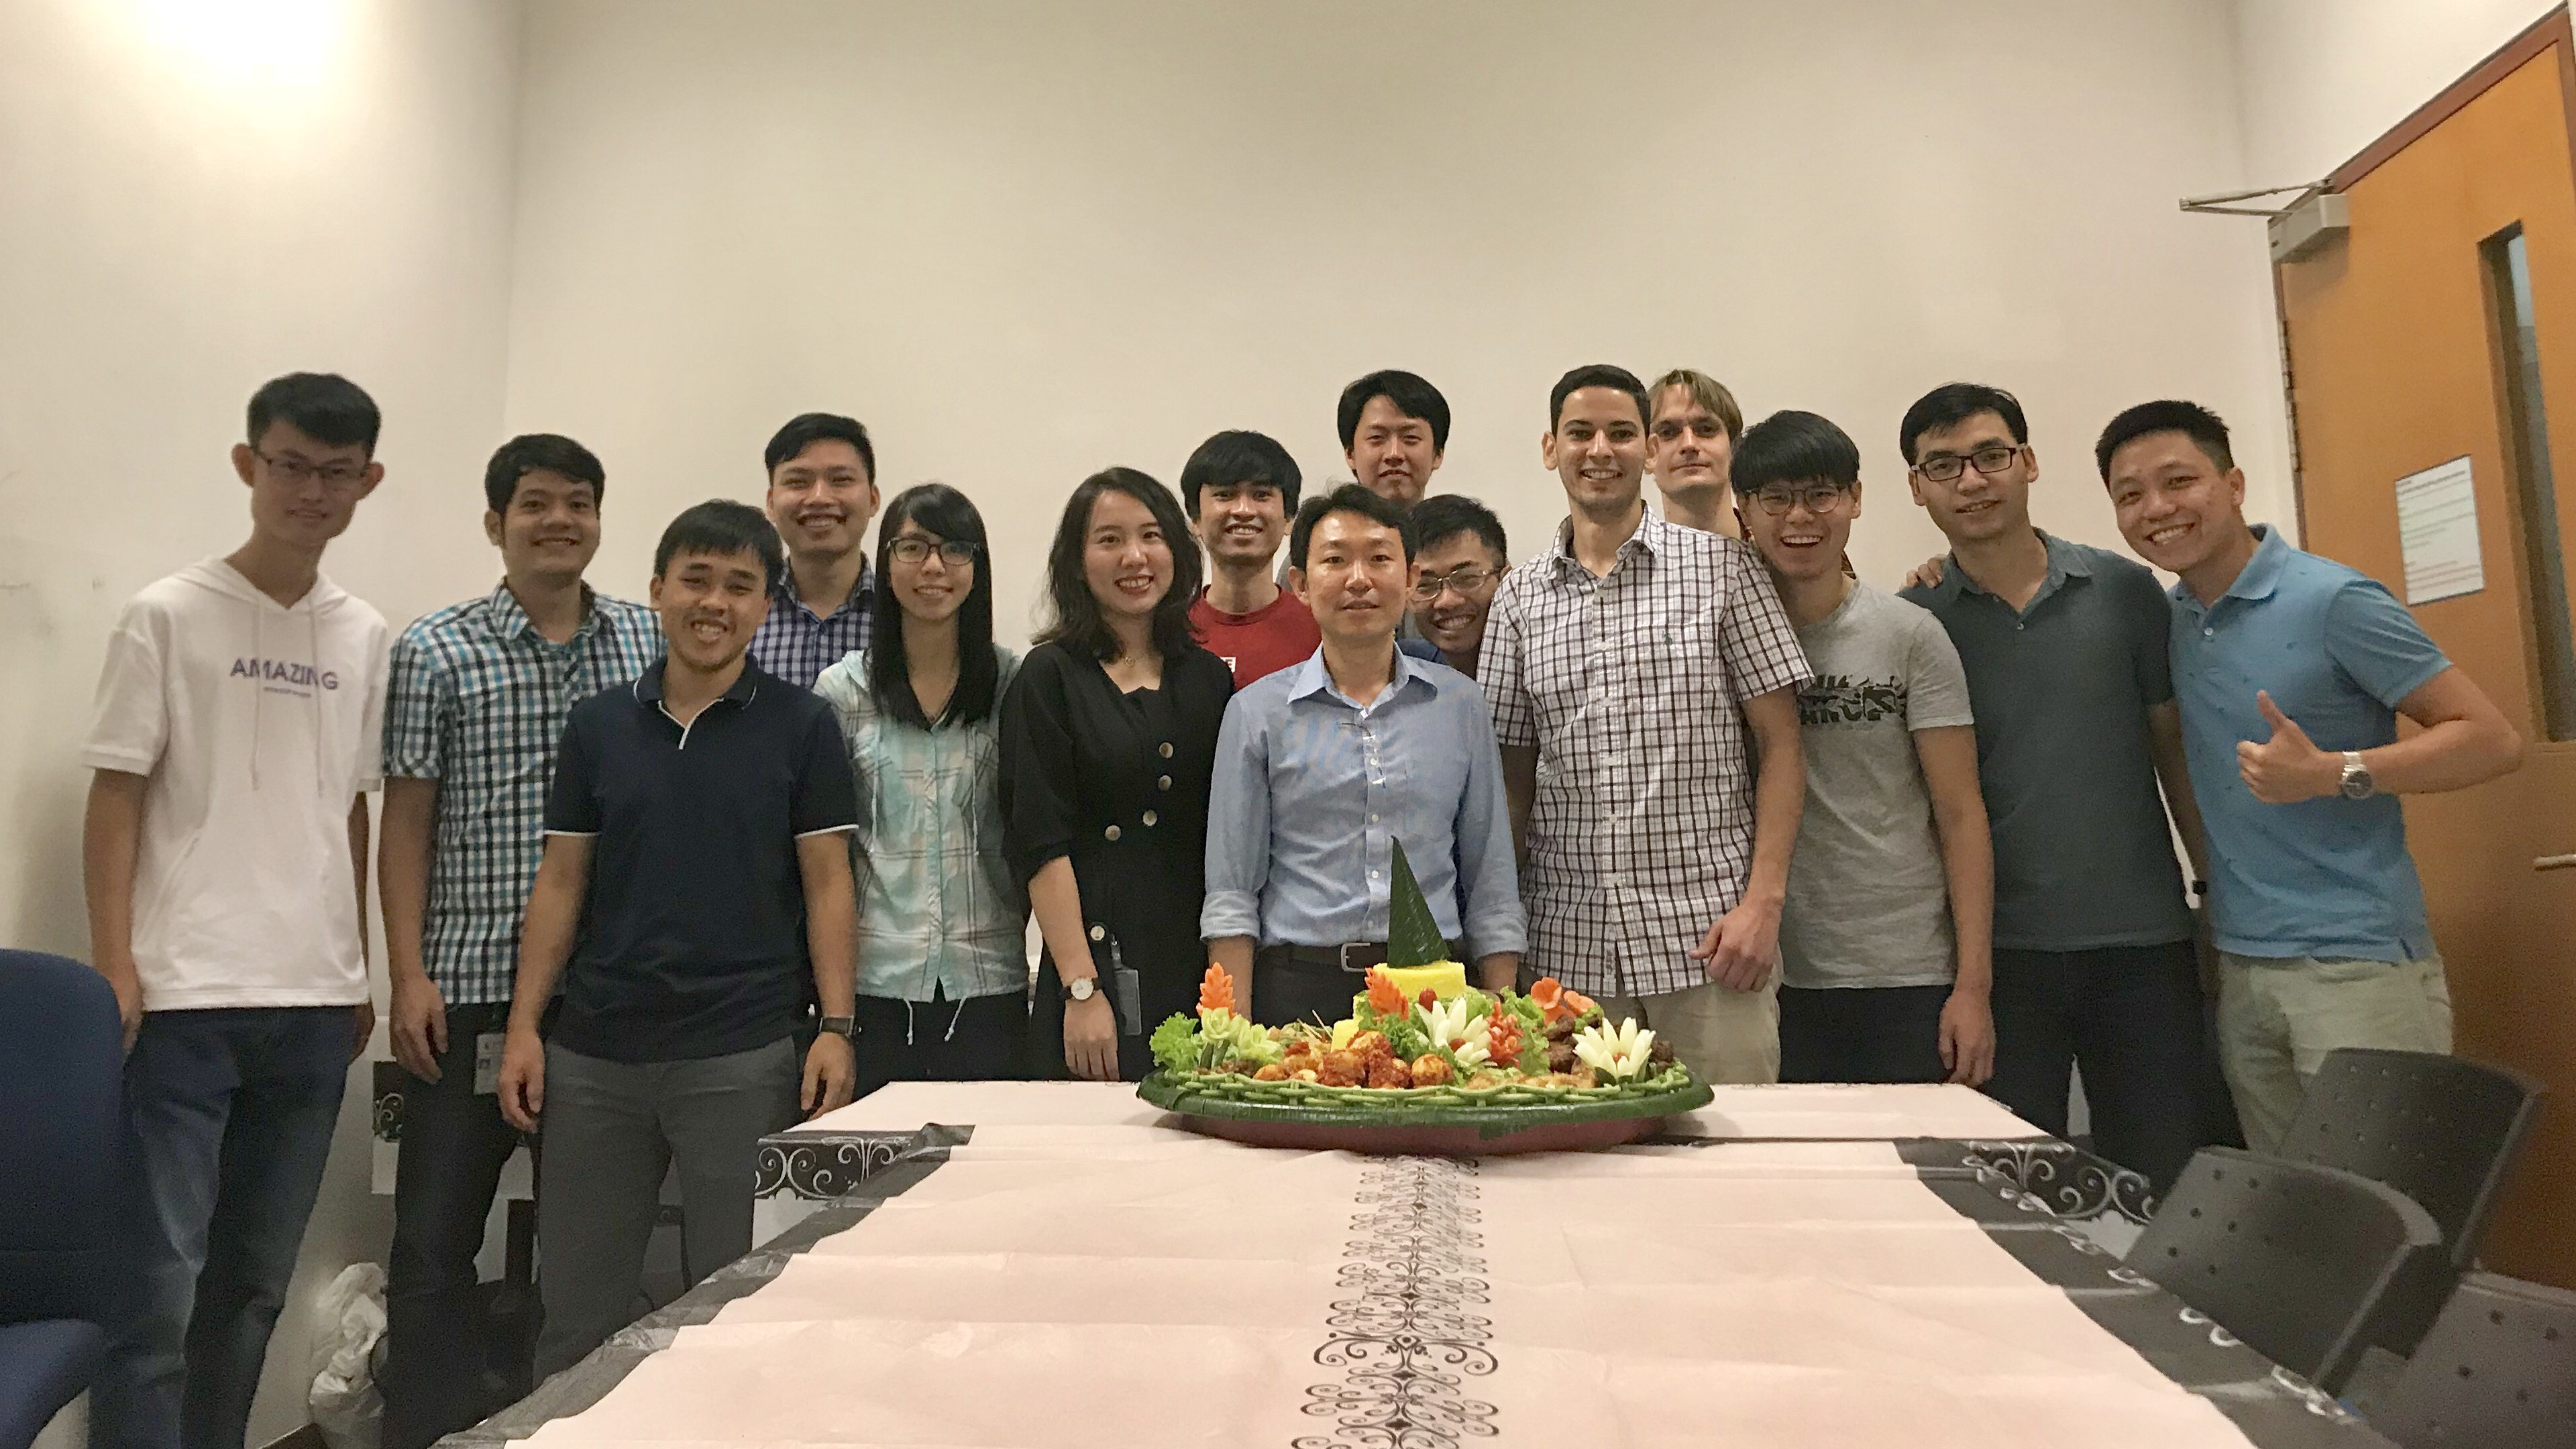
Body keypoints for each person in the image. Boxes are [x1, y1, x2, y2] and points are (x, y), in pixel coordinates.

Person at [82, 372, 390, 1449]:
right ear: (247, 465)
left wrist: (357, 965)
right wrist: (113, 964)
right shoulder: (167, 615)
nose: (312, 491)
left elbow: (352, 806)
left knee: (255, 1287)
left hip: (314, 1005)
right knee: (159, 1290)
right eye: (291, 466)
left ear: (367, 483)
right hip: (183, 1000)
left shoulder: (364, 634)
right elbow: (116, 793)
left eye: (336, 473)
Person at [497, 500, 860, 1378]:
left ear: (764, 607)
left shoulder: (803, 725)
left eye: (740, 586)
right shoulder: (597, 726)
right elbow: (561, 881)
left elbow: (828, 883)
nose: (715, 603)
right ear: (658, 589)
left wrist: (837, 1027)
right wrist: (524, 1028)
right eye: (696, 580)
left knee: (738, 1316)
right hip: (595, 1058)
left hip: (742, 1054)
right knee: (577, 1318)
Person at [2099, 400, 2522, 1152]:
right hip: (2242, 964)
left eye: (2179, 481)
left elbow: (2491, 739)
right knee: (2292, 1208)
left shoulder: (2333, 600)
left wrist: (2335, 772)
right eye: (2131, 495)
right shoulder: (2174, 619)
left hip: (2357, 966)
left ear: (2233, 484)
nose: (2157, 508)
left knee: (2386, 1202)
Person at [377, 434, 660, 1449]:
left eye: (579, 502)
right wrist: (407, 974)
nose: (559, 521)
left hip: (601, 998)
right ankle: (430, 1432)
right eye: (536, 503)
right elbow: (407, 822)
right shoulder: (434, 649)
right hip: (465, 994)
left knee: (586, 1252)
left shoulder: (646, 640)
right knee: (432, 1243)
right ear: (496, 522)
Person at [1895, 382, 2217, 1191]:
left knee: (2161, 1178)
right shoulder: (1918, 620)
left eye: (1990, 456)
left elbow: (2174, 753)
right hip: (2001, 957)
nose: (1972, 481)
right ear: (1917, 488)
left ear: (2029, 462)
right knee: (2014, 1190)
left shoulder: (2125, 592)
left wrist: (2214, 891)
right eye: (1944, 466)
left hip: (2143, 944)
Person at [1483, 364, 1812, 1084]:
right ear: (1551, 448)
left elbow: (1783, 745)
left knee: (1732, 1146)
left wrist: (1763, 906)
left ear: (1649, 449)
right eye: (1580, 433)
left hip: (1712, 946)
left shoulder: (1726, 570)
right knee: (1580, 1154)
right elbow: (1509, 783)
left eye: (1622, 433)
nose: (1600, 450)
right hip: (1566, 958)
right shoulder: (1518, 599)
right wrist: (1501, 940)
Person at [1730, 411, 1995, 1086]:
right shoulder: (1718, 639)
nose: (1800, 517)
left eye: (1821, 494)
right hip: (1768, 968)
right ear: (1743, 513)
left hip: (1904, 967)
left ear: (1854, 499)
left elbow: (1960, 812)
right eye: (1775, 498)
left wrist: (1973, 987)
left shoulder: (1910, 634)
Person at [1203, 484, 1525, 1026]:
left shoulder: (1460, 706)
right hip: (1299, 989)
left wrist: (1503, 1018)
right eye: (1335, 560)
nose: (1359, 579)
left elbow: (1491, 882)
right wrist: (1230, 1034)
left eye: (1379, 558)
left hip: (1434, 992)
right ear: (1301, 585)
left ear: (1411, 577)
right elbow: (1233, 893)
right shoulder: (1256, 712)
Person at [1002, 468, 1234, 1082]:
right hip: (1095, 975)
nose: (1135, 557)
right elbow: (1041, 844)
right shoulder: (1049, 677)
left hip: (1194, 975)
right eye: (1109, 539)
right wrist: (1081, 989)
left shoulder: (1209, 678)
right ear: (1077, 563)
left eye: (1151, 536)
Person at [812, 484, 1027, 1097]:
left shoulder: (1013, 684)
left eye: (954, 549)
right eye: (912, 548)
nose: (934, 566)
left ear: (977, 567)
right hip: (875, 986)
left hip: (988, 983)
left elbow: (1032, 831)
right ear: (886, 562)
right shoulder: (843, 692)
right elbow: (827, 861)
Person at [750, 411, 881, 688]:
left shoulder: (906, 614)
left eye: (841, 480)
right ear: (771, 503)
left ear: (873, 499)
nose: (819, 498)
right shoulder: (742, 613)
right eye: (798, 482)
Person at [1181, 429, 1320, 688]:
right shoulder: (1169, 632)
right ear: (1195, 519)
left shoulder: (1322, 630)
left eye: (1261, 495)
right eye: (1225, 495)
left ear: (1289, 519)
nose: (1243, 510)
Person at [1406, 494, 1509, 679]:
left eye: (1466, 578)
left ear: (1506, 578)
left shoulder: (1541, 671)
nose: (1447, 601)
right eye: (1425, 585)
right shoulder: (1404, 675)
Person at [1646, 367, 1746, 539]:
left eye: (1706, 429)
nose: (1689, 444)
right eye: (1668, 432)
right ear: (1648, 455)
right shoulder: (1624, 556)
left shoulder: (1781, 553)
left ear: (1734, 446)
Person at [1338, 369, 1449, 508]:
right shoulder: (1326, 522)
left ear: (1437, 454)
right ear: (1350, 454)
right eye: (1377, 437)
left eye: (1411, 437)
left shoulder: (1461, 522)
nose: (1394, 454)